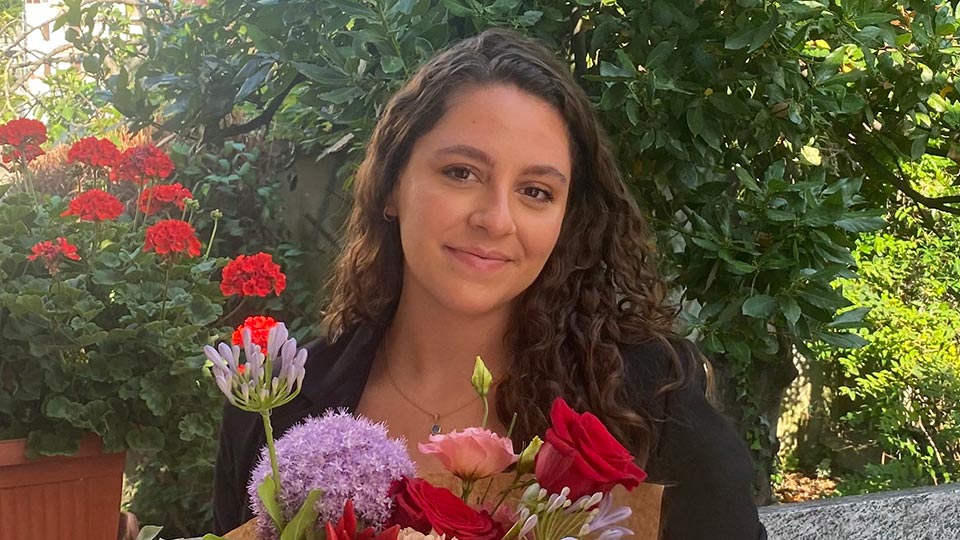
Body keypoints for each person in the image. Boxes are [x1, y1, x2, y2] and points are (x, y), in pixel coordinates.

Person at [213, 28, 766, 539]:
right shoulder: (272, 409)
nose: (496, 219)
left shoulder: (648, 402)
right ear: (390, 186)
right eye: (461, 173)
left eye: (536, 191)